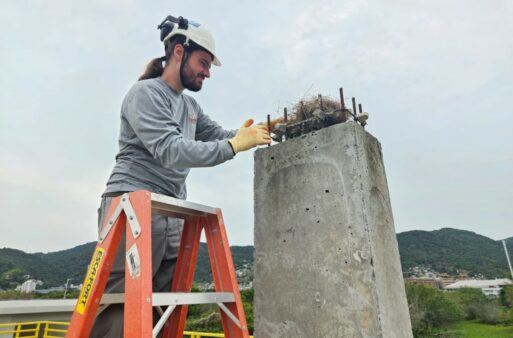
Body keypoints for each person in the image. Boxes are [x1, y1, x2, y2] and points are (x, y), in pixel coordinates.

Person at [90, 16, 282, 337]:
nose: (207, 72)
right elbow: (171, 149)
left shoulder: (190, 105)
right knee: (122, 308)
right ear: (179, 52)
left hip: (169, 211)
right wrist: (235, 145)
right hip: (130, 206)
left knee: (163, 307)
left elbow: (219, 135)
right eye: (203, 62)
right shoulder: (146, 94)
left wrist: (253, 131)